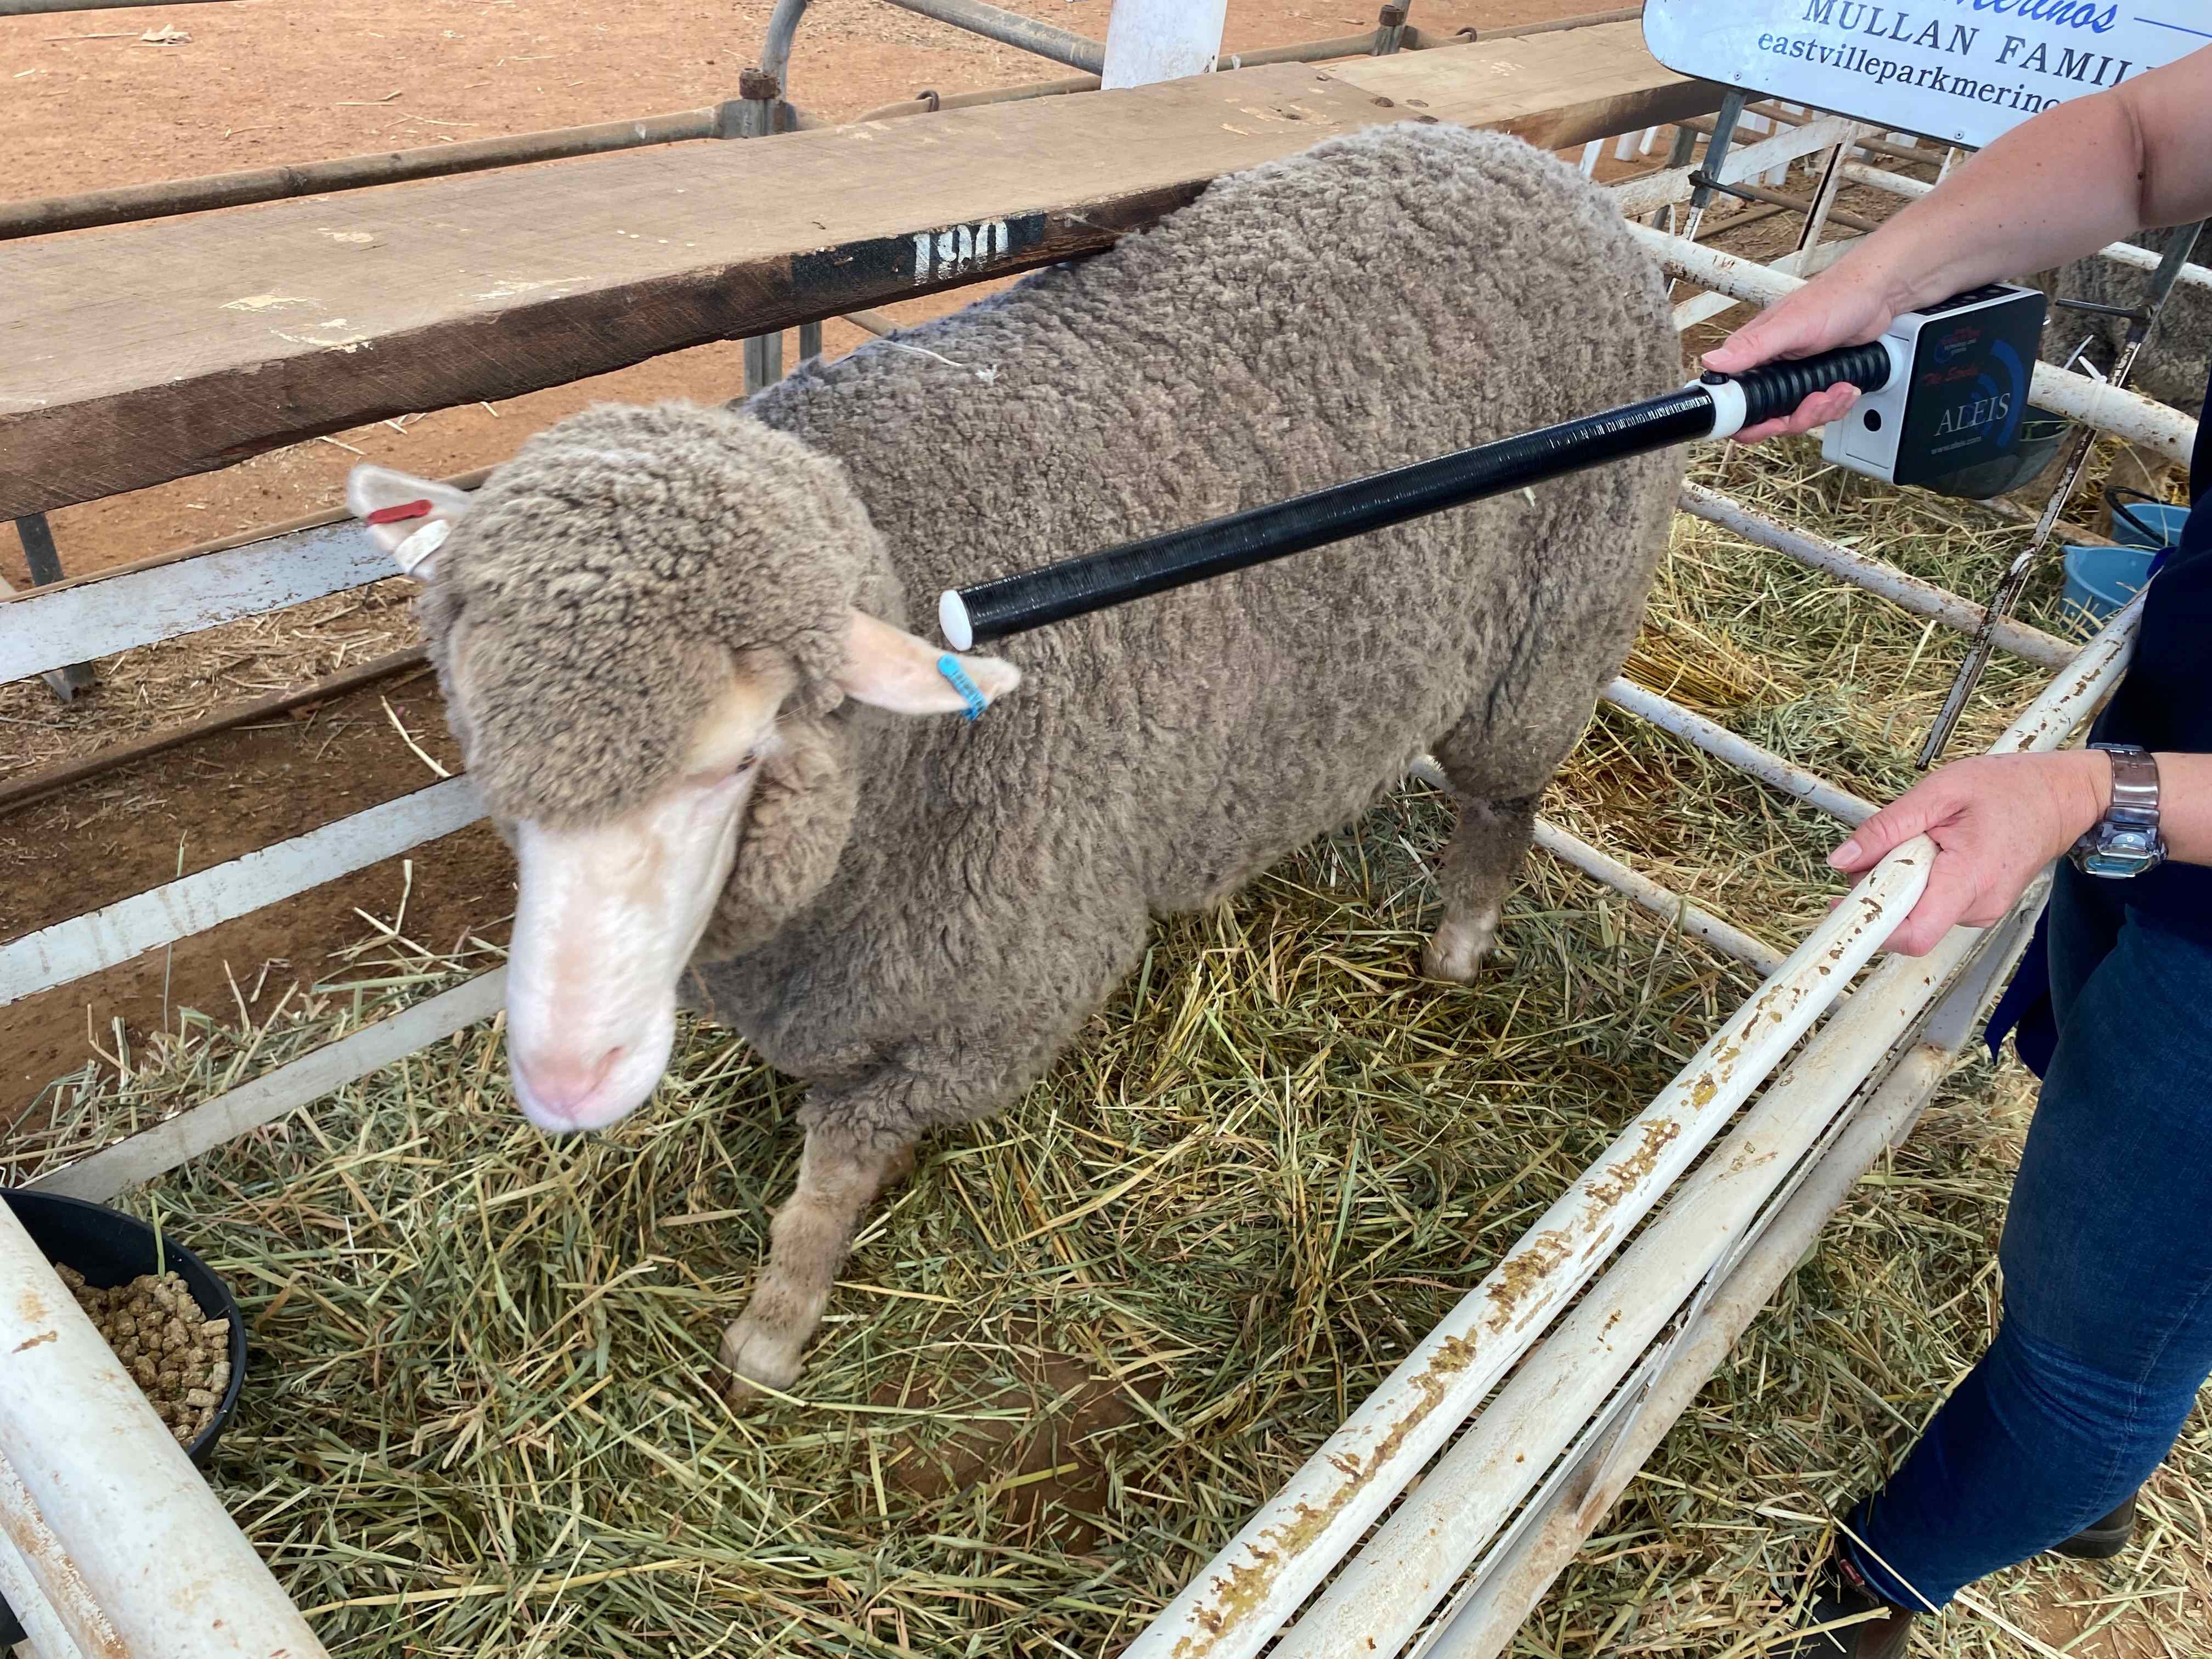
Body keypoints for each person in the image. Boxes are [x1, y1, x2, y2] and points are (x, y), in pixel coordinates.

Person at [1701, 41, 2212, 1659]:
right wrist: (1876, 280)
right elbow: (2142, 142)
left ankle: (1881, 1584)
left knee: (2086, 1363)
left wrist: (2092, 797)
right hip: (2166, 766)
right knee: (2097, 1143)